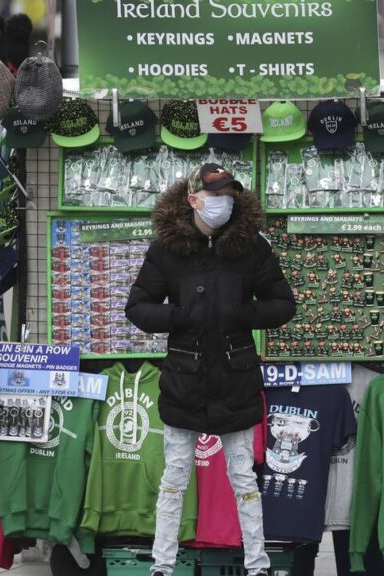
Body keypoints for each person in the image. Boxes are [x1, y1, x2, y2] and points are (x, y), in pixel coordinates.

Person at [126, 163, 296, 576]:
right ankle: (162, 564)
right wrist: (181, 317)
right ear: (193, 199)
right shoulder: (167, 248)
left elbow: (283, 304)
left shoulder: (251, 246)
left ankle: (258, 564)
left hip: (235, 376)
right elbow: (138, 307)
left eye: (228, 194)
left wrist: (241, 313)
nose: (223, 202)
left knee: (244, 478)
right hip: (184, 378)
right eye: (215, 194)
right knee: (175, 477)